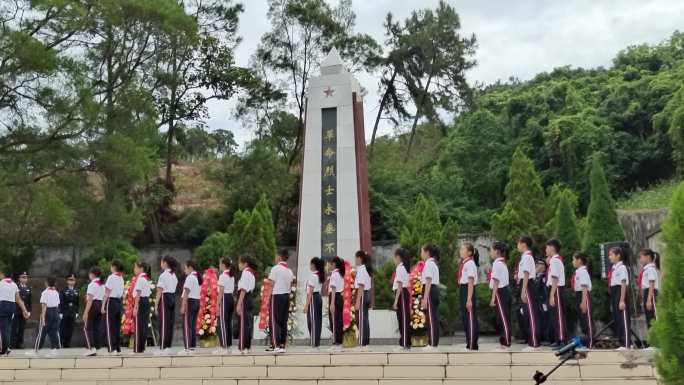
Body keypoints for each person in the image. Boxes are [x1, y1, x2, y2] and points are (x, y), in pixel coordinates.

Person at [267, 249, 294, 354]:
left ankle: (275, 345)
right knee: (283, 321)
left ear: (279, 257)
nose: (275, 258)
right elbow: (291, 285)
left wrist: (268, 298)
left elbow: (271, 284)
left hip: (276, 296)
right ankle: (282, 344)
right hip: (286, 296)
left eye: (276, 256)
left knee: (274, 321)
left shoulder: (275, 269)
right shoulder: (289, 271)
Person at [517, 236, 540, 351]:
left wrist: (523, 291)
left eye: (518, 243)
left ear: (523, 244)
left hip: (527, 285)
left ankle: (534, 343)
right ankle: (532, 342)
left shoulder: (527, 257)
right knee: (527, 314)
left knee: (531, 314)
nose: (517, 245)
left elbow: (526, 274)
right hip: (525, 284)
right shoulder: (525, 257)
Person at [0, 267, 29, 356]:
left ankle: (4, 348)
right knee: (7, 328)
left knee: (3, 328)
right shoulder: (14, 285)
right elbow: (18, 299)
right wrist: (24, 310)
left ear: (2, 274)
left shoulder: (0, 283)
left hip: (2, 305)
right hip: (12, 306)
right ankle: (7, 347)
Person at [28, 276, 61, 356]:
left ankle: (36, 350)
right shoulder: (56, 292)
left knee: (42, 331)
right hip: (56, 312)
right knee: (53, 331)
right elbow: (58, 304)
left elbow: (44, 305)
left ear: (46, 283)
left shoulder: (45, 292)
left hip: (48, 312)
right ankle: (54, 349)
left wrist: (42, 316)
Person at [489, 241, 512, 351]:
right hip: (504, 292)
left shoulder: (497, 263)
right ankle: (504, 342)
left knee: (503, 318)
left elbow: (496, 281)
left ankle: (506, 342)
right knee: (503, 317)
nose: (490, 252)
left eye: (491, 250)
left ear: (497, 251)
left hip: (500, 292)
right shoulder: (502, 263)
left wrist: (493, 297)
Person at [608, 246, 631, 350]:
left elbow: (623, 283)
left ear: (618, 256)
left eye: (611, 254)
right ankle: (621, 342)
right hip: (614, 292)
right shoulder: (613, 268)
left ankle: (627, 343)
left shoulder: (622, 268)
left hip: (620, 292)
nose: (609, 257)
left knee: (623, 318)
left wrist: (622, 300)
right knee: (617, 318)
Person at [545, 239, 567, 348]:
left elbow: (555, 278)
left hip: (556, 289)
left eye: (547, 247)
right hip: (555, 289)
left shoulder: (554, 260)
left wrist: (552, 295)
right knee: (554, 316)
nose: (546, 249)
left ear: (552, 248)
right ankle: (558, 339)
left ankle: (562, 340)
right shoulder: (555, 260)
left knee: (558, 315)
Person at [155, 255, 178, 355]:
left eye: (161, 262)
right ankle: (168, 346)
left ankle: (163, 347)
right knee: (169, 323)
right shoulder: (174, 275)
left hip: (164, 297)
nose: (161, 264)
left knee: (163, 323)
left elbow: (159, 291)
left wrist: (156, 305)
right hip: (172, 297)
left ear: (165, 263)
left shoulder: (163, 275)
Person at [458, 243, 479, 351]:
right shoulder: (465, 263)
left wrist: (469, 299)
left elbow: (470, 282)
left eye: (463, 249)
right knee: (466, 318)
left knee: (470, 318)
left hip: (468, 290)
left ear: (469, 252)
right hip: (463, 289)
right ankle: (469, 343)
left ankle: (472, 345)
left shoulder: (470, 263)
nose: (460, 251)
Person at [420, 243, 440, 350]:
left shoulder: (428, 264)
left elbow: (428, 281)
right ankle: (433, 342)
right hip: (433, 290)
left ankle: (432, 343)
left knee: (431, 318)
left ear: (427, 253)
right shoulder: (433, 263)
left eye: (422, 251)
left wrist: (424, 298)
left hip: (429, 290)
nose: (421, 254)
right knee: (433, 317)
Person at [102, 260, 124, 355]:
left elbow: (107, 292)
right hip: (119, 302)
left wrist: (103, 305)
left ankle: (111, 348)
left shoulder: (111, 277)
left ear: (114, 267)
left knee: (109, 326)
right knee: (116, 326)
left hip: (111, 301)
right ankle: (117, 348)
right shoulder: (121, 278)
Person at [572, 253, 594, 349]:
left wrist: (584, 301)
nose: (572, 262)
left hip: (583, 295)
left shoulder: (583, 271)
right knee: (583, 321)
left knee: (587, 320)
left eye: (573, 259)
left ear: (579, 260)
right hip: (579, 295)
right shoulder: (578, 271)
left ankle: (590, 343)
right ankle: (586, 342)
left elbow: (584, 287)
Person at [179, 260, 201, 355]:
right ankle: (192, 346)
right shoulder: (196, 277)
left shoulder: (190, 277)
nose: (184, 270)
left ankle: (187, 347)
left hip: (190, 302)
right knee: (192, 325)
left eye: (185, 268)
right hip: (196, 301)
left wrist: (183, 305)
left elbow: (187, 291)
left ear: (190, 268)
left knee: (187, 325)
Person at [236, 256, 257, 355]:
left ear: (245, 264)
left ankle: (242, 347)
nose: (238, 265)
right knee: (248, 324)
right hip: (250, 299)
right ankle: (247, 347)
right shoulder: (252, 273)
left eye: (239, 263)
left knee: (244, 324)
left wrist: (239, 304)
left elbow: (243, 289)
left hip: (245, 298)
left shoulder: (245, 273)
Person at [215, 257, 236, 354]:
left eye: (219, 264)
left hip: (224, 298)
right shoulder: (231, 275)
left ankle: (224, 347)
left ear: (223, 265)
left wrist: (217, 304)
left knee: (222, 323)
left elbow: (221, 291)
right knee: (228, 323)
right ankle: (228, 345)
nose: (219, 266)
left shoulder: (223, 275)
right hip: (231, 298)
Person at [393, 248, 411, 351]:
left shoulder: (400, 268)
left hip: (402, 294)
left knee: (403, 318)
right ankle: (404, 342)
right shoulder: (403, 267)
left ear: (398, 257)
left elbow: (399, 285)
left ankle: (405, 343)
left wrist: (396, 301)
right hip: (402, 293)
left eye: (394, 257)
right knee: (401, 318)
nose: (393, 260)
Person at [83, 267, 104, 356]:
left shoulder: (92, 284)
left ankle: (91, 348)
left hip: (93, 305)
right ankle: (97, 348)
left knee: (88, 328)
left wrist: (85, 312)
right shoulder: (102, 284)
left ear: (92, 274)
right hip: (100, 304)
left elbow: (90, 300)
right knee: (96, 328)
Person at [354, 250, 373, 350]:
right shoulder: (366, 269)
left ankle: (362, 343)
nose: (355, 260)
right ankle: (366, 343)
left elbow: (361, 286)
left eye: (356, 258)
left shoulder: (361, 269)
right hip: (366, 294)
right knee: (365, 319)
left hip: (362, 294)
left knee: (361, 319)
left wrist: (357, 301)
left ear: (360, 258)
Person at [305, 257, 324, 351]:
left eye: (310, 264)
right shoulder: (319, 275)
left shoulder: (313, 275)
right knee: (317, 321)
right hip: (318, 298)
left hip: (313, 298)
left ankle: (314, 345)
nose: (309, 266)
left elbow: (310, 291)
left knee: (312, 321)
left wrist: (306, 305)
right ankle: (316, 343)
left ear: (313, 265)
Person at [638, 249, 660, 329]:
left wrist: (649, 300)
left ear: (648, 257)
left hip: (651, 293)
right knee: (648, 318)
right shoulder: (646, 269)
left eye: (641, 257)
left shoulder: (650, 269)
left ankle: (655, 338)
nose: (640, 260)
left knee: (652, 317)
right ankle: (652, 338)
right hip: (647, 293)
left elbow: (652, 284)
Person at [133, 261, 152, 354]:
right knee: (143, 325)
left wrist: (135, 307)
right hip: (146, 302)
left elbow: (138, 293)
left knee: (139, 326)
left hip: (140, 302)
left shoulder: (141, 279)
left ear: (141, 269)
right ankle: (141, 348)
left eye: (135, 267)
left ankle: (137, 349)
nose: (134, 269)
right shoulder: (146, 278)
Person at [328, 256, 345, 351]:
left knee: (334, 320)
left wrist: (332, 303)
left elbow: (333, 289)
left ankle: (336, 342)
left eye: (331, 263)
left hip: (335, 297)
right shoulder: (340, 274)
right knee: (339, 320)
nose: (330, 265)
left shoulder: (334, 274)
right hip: (340, 297)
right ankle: (339, 341)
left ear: (334, 264)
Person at [11, 272, 31, 350]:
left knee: (22, 328)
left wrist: (29, 311)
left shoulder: (28, 288)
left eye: (25, 277)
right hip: (16, 310)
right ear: (19, 278)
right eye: (23, 277)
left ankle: (19, 343)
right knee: (14, 327)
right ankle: (12, 343)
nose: (24, 279)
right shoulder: (16, 286)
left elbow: (29, 301)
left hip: (24, 311)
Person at [59, 274, 79, 348]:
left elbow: (77, 303)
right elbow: (61, 302)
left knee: (70, 329)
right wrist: (60, 312)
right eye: (70, 279)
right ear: (67, 281)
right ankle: (61, 342)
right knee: (63, 328)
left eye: (73, 280)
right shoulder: (63, 290)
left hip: (72, 312)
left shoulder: (76, 290)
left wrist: (77, 312)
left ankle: (67, 343)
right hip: (65, 312)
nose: (72, 281)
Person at [534, 259, 550, 344]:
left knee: (545, 319)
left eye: (540, 264)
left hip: (543, 300)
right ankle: (540, 338)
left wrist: (544, 301)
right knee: (539, 320)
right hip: (537, 301)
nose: (537, 265)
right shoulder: (536, 276)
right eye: (537, 264)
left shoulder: (544, 277)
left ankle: (546, 338)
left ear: (544, 266)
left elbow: (545, 290)